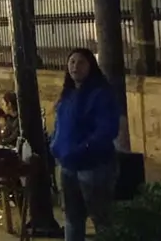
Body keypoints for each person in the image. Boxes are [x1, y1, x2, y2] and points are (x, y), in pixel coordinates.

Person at [51, 48, 120, 241]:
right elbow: (60, 124)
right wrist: (55, 144)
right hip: (68, 166)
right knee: (73, 218)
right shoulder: (68, 94)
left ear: (91, 66)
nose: (75, 67)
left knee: (101, 219)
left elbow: (106, 130)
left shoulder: (100, 94)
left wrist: (83, 149)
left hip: (93, 166)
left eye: (81, 62)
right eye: (72, 62)